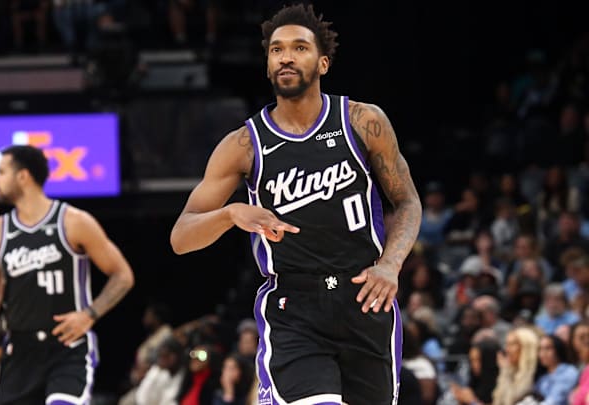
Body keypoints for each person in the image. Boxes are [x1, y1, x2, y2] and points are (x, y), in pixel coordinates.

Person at [170, 4, 422, 404]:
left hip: (366, 299)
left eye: (299, 48)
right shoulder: (243, 145)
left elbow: (407, 201)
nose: (286, 56)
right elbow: (181, 237)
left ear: (323, 62)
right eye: (276, 50)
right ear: (268, 65)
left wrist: (391, 264)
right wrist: (230, 213)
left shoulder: (362, 121)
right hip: (294, 307)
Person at [0, 144, 135, 404]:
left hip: (67, 347)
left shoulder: (74, 221)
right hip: (19, 350)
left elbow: (122, 275)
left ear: (23, 176)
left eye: (1, 172)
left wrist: (90, 314)